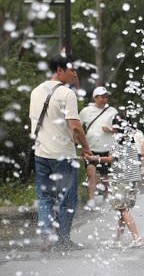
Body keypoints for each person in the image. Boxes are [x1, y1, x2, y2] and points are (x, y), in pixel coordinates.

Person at [29, 54, 92, 251]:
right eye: (71, 70)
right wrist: (86, 147)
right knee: (67, 198)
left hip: (41, 153)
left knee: (45, 196)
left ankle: (48, 236)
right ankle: (63, 240)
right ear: (59, 70)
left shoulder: (35, 91)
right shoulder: (67, 93)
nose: (74, 74)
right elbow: (75, 126)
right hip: (63, 155)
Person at [79, 86, 119, 211]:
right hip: (91, 148)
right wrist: (80, 144)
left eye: (106, 96)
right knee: (91, 172)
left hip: (108, 148)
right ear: (95, 98)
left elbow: (121, 128)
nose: (104, 99)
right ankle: (91, 199)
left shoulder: (112, 111)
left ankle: (107, 196)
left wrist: (111, 130)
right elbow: (78, 128)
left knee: (106, 176)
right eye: (101, 97)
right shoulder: (86, 111)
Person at [109, 114, 144, 248]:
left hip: (122, 180)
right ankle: (117, 239)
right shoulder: (131, 140)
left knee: (123, 210)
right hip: (132, 179)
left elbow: (110, 159)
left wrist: (94, 159)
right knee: (123, 211)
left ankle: (137, 238)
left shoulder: (117, 142)